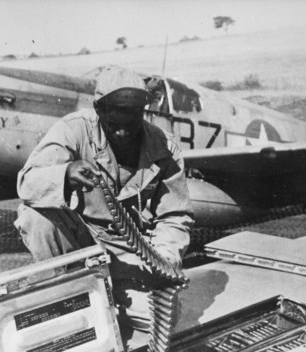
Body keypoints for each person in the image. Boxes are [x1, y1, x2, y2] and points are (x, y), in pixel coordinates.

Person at [15, 65, 194, 330]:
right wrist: (64, 173)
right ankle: (66, 296)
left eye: (131, 123)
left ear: (142, 113)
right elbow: (28, 182)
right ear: (98, 110)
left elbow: (175, 215)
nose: (122, 133)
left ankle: (103, 298)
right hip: (81, 241)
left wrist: (165, 260)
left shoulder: (164, 147)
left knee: (161, 320)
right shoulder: (74, 129)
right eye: (114, 125)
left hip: (130, 250)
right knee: (36, 214)